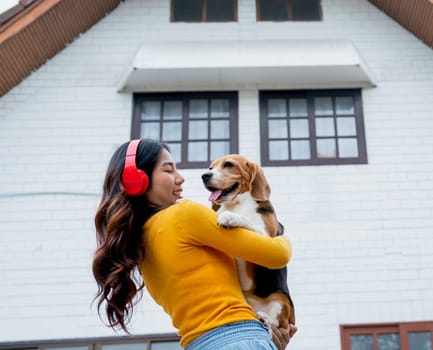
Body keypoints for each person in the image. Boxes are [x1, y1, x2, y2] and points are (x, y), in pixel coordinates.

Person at [92, 139, 297, 350]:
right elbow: (277, 255)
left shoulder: (138, 247)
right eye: (169, 170)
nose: (180, 178)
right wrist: (281, 234)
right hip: (240, 339)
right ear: (138, 180)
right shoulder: (184, 215)